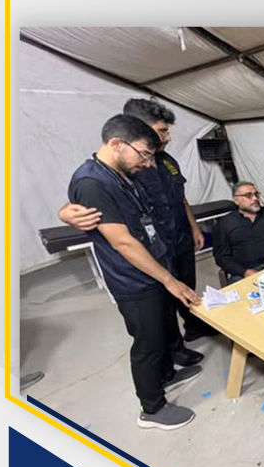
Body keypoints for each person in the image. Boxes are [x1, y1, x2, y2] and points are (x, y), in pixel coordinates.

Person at [67, 114, 202, 431]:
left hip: (154, 265)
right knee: (148, 343)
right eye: (143, 154)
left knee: (164, 328)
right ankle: (152, 408)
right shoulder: (92, 183)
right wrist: (169, 280)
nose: (147, 162)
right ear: (117, 143)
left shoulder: (121, 173)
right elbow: (123, 242)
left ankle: (166, 375)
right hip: (135, 281)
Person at [59, 98, 214, 364]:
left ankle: (192, 329)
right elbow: (93, 192)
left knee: (185, 286)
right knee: (163, 298)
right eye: (162, 131)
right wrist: (64, 212)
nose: (167, 137)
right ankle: (172, 349)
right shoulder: (125, 164)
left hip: (179, 237)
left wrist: (194, 226)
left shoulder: (166, 161)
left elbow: (181, 197)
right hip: (153, 246)